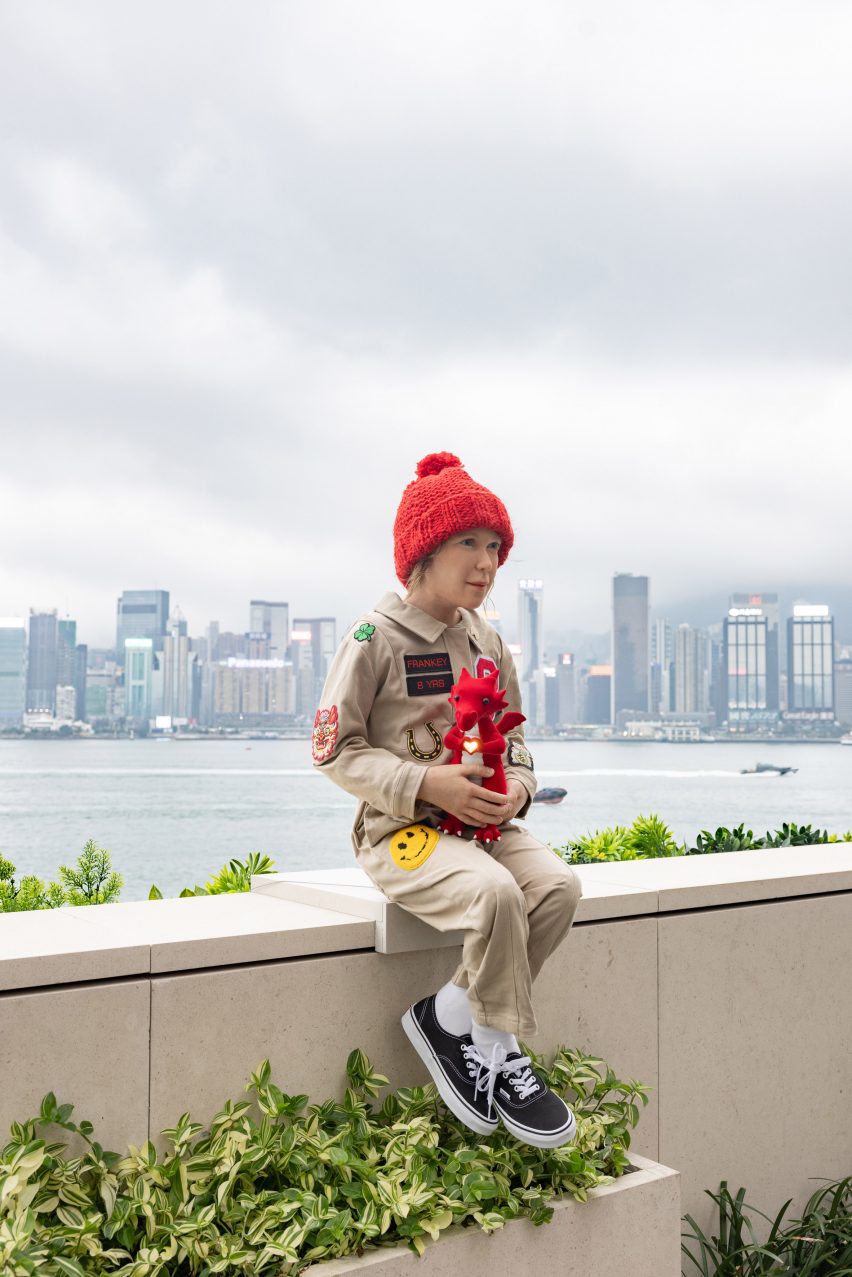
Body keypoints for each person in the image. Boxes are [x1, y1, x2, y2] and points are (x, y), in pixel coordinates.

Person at [312, 452, 582, 1147]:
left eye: (495, 547)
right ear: (423, 550)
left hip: (484, 828)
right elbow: (331, 748)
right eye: (470, 542)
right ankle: (500, 1043)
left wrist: (515, 788)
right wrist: (427, 783)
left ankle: (455, 1016)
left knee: (555, 886)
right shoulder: (373, 639)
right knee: (496, 896)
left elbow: (518, 742)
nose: (487, 562)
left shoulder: (488, 639)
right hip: (403, 832)